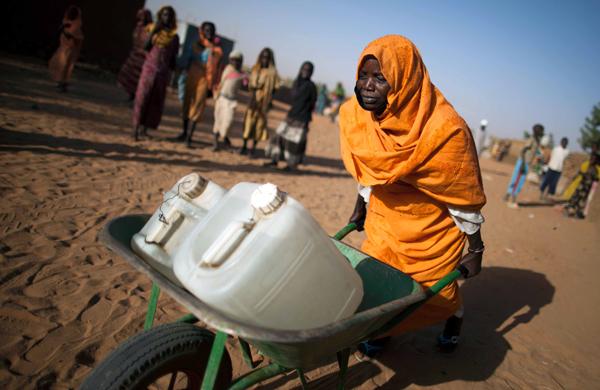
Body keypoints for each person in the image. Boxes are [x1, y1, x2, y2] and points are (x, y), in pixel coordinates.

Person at [339, 35, 486, 355]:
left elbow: (461, 197)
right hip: (384, 219)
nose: (367, 85)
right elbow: (370, 172)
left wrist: (476, 248)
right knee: (377, 282)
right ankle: (380, 332)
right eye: (363, 76)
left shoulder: (446, 131)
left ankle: (454, 319)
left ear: (405, 80)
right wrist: (360, 207)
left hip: (430, 230)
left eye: (380, 78)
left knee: (436, 292)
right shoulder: (356, 116)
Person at [132, 6, 179, 141]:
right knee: (142, 98)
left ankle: (144, 130)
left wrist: (171, 76)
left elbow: (173, 59)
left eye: (169, 15)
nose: (166, 18)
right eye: (164, 15)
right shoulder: (153, 30)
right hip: (149, 70)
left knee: (154, 101)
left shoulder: (174, 37)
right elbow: (145, 47)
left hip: (162, 74)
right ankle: (135, 129)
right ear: (160, 16)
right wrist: (154, 31)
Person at [264, 61, 317, 171]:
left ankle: (291, 165)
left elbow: (312, 104)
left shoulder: (311, 86)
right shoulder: (296, 83)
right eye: (304, 69)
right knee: (278, 137)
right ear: (300, 69)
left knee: (295, 144)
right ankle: (274, 160)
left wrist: (305, 117)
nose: (306, 72)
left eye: (308, 70)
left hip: (302, 119)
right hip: (291, 116)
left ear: (311, 72)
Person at [179, 22, 223, 147]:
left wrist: (213, 86)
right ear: (202, 31)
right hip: (191, 75)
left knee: (198, 107)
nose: (209, 32)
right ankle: (183, 132)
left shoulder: (217, 51)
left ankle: (189, 138)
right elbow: (186, 60)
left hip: (205, 79)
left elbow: (217, 69)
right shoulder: (195, 45)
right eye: (207, 30)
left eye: (211, 30)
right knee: (186, 104)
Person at [240, 48, 281, 156]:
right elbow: (250, 85)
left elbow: (276, 87)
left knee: (259, 126)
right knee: (248, 123)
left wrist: (269, 97)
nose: (265, 59)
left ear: (270, 59)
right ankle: (243, 146)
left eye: (267, 57)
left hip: (264, 103)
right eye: (263, 57)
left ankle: (252, 148)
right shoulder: (255, 69)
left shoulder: (273, 73)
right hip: (253, 101)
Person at [211, 50, 246, 151]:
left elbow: (246, 84)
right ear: (230, 60)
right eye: (233, 60)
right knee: (218, 121)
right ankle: (215, 143)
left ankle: (225, 141)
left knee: (228, 122)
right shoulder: (227, 69)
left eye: (238, 60)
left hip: (231, 102)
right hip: (221, 98)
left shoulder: (242, 74)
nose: (236, 62)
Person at [503, 124, 545, 207]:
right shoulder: (531, 139)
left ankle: (509, 196)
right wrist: (522, 163)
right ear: (537, 131)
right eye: (541, 130)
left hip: (527, 163)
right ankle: (511, 197)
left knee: (521, 181)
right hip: (522, 162)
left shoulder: (537, 141)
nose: (542, 132)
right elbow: (523, 151)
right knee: (516, 179)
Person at [117, 9, 153, 101]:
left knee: (139, 77)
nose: (141, 19)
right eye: (140, 17)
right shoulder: (138, 26)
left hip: (143, 57)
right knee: (128, 74)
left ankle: (136, 96)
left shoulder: (151, 28)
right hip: (134, 54)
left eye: (143, 17)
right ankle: (131, 94)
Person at [48, 5, 84, 93]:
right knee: (62, 66)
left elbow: (77, 38)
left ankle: (62, 83)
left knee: (65, 66)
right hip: (65, 48)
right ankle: (62, 82)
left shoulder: (75, 25)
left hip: (69, 49)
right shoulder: (67, 23)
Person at [564, 150, 599, 219]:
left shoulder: (595, 170)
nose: (592, 159)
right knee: (574, 199)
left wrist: (590, 176)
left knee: (581, 202)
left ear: (596, 160)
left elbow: (596, 180)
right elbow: (580, 173)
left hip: (586, 189)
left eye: (593, 158)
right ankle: (569, 212)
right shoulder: (587, 165)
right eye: (591, 158)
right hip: (580, 186)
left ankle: (577, 214)